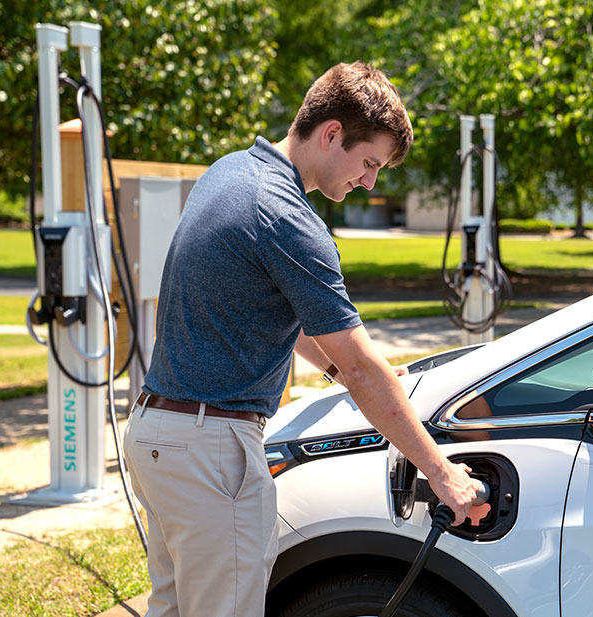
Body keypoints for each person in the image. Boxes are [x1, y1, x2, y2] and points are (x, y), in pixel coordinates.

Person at [123, 61, 481, 617]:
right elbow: (363, 368)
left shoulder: (230, 172)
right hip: (210, 448)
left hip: (158, 436)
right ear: (331, 132)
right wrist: (443, 474)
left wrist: (340, 370)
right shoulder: (288, 219)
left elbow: (267, 314)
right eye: (368, 163)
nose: (369, 182)